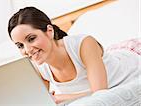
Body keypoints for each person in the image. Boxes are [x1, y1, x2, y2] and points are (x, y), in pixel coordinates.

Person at [8, 7, 140, 105]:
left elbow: (101, 95)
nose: (28, 50)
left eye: (31, 39)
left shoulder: (84, 44)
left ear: (49, 31)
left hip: (133, 55)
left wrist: (61, 97)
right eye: (20, 45)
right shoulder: (39, 68)